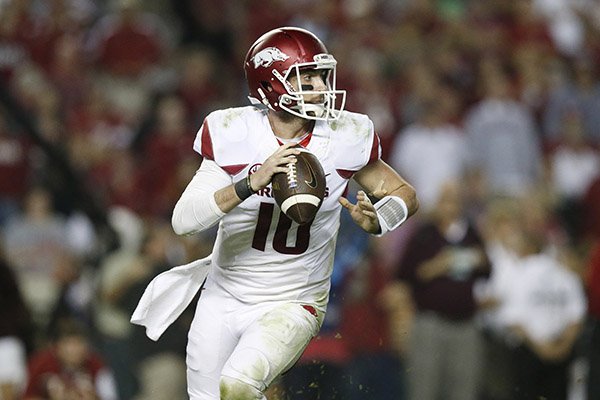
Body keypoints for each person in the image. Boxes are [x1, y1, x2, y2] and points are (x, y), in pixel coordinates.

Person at [130, 26, 418, 400]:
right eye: (306, 77)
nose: (320, 86)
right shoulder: (234, 131)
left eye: (320, 75)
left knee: (238, 384)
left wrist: (381, 218)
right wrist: (251, 181)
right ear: (271, 84)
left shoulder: (345, 136)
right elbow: (183, 221)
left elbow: (405, 195)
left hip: (294, 299)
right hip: (224, 294)